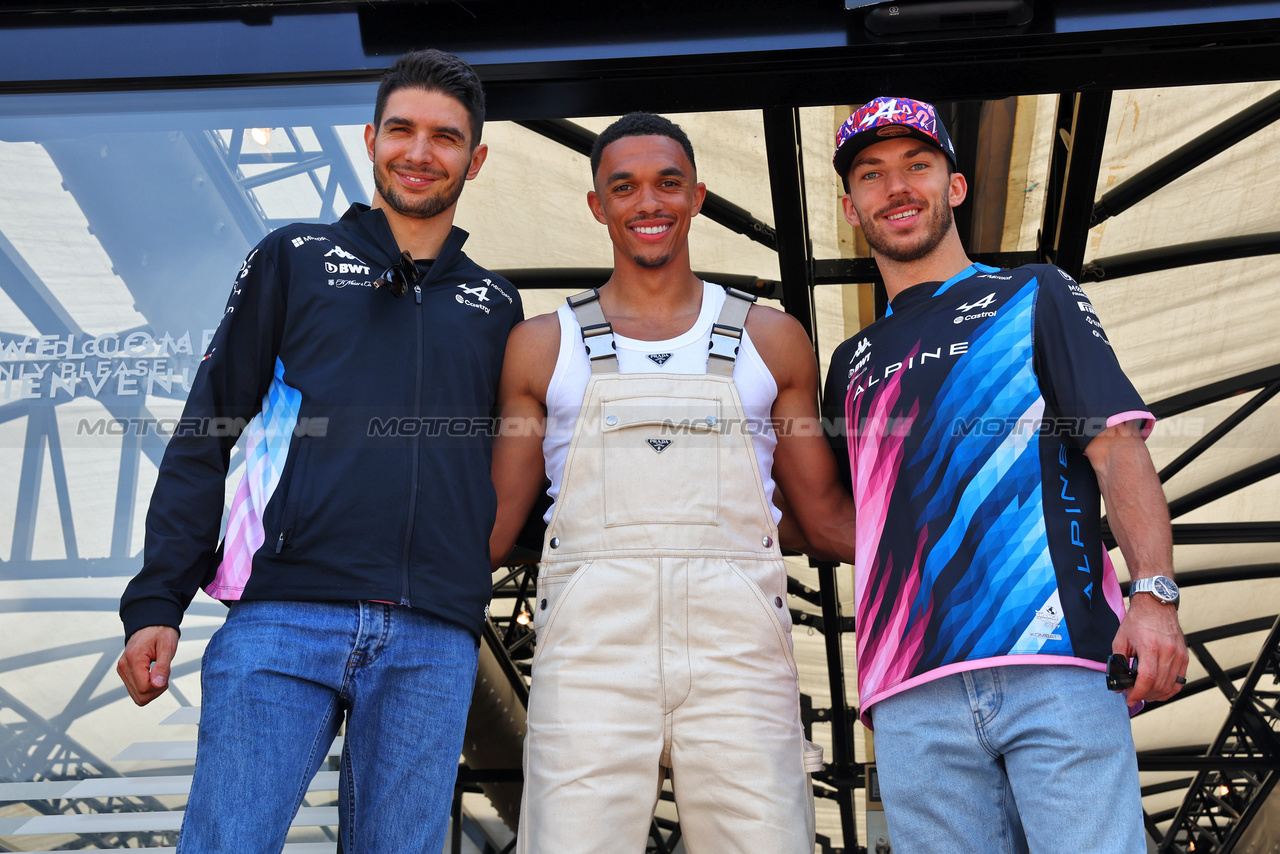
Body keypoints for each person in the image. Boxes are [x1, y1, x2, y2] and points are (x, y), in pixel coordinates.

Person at [116, 49, 522, 854]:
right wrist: (157, 600)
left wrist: (464, 574)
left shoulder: (497, 305)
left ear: (475, 158)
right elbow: (209, 430)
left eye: (445, 137)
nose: (419, 152)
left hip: (432, 639)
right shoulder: (293, 258)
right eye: (401, 129)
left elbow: (516, 466)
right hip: (283, 617)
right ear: (372, 138)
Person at [822, 96, 1189, 852]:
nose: (897, 188)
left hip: (1053, 661)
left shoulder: (1034, 293)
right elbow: (835, 519)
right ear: (853, 207)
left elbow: (1117, 447)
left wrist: (1154, 594)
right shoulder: (849, 365)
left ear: (955, 187)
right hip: (908, 690)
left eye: (917, 166)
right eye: (872, 174)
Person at [489, 112, 856, 853]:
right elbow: (495, 526)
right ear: (598, 205)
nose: (647, 203)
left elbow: (822, 521)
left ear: (698, 196)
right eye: (623, 187)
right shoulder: (539, 345)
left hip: (739, 657)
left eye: (668, 184)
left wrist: (956, 544)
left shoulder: (771, 337)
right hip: (590, 657)